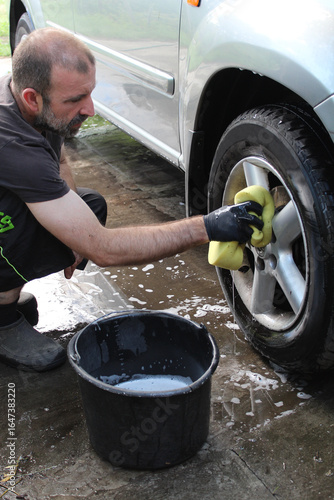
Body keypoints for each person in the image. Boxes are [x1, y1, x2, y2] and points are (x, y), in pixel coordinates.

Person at [0, 27, 263, 372]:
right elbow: (105, 250)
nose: (90, 109)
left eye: (89, 94)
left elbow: (58, 160)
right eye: (75, 101)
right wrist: (208, 227)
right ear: (33, 98)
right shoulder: (11, 142)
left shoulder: (30, 97)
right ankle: (3, 317)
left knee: (88, 206)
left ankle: (7, 293)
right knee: (19, 225)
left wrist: (74, 230)